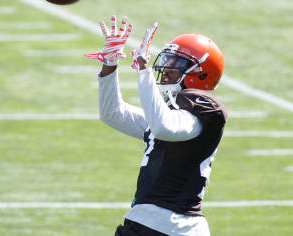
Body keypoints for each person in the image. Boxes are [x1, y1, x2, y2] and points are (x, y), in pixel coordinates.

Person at [84, 15, 227, 236]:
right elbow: (112, 114)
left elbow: (163, 127)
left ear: (201, 73)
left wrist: (144, 71)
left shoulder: (203, 110)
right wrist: (110, 66)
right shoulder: (169, 113)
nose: (168, 68)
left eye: (177, 64)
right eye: (168, 61)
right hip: (149, 222)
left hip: (173, 226)